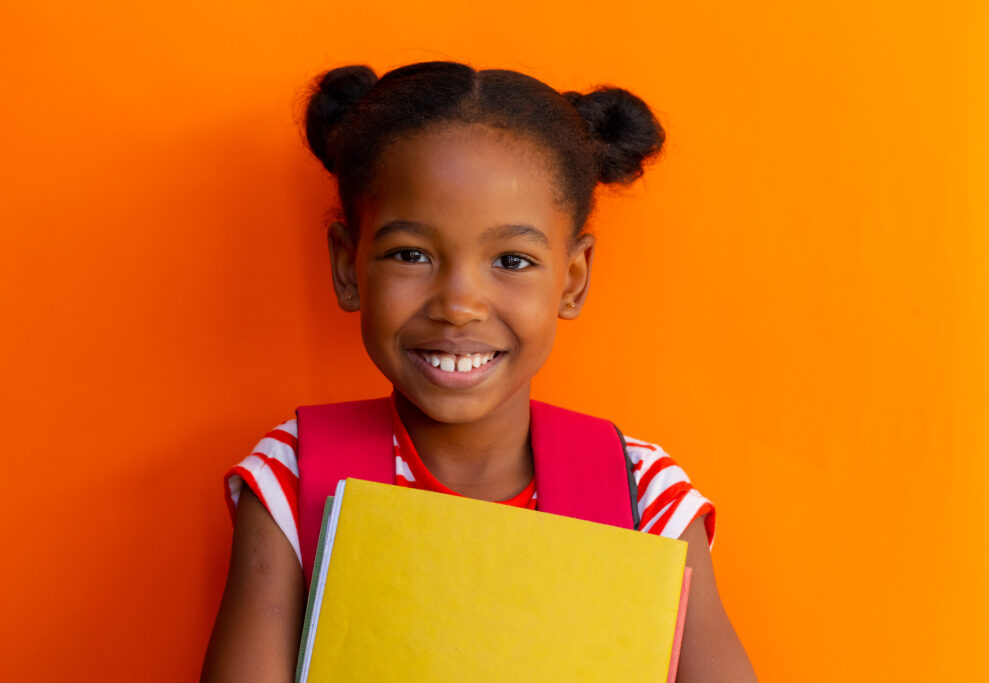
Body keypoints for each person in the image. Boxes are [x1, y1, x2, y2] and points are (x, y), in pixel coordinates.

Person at [201, 60, 756, 682]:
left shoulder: (641, 496)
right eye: (411, 254)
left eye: (512, 260)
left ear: (572, 280)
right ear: (348, 266)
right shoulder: (294, 477)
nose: (458, 304)